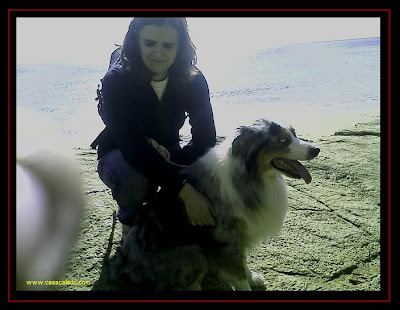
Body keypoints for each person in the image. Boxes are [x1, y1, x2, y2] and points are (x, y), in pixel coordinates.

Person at [91, 18, 217, 236]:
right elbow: (134, 149)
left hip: (170, 149)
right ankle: (129, 218)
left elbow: (205, 140)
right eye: (150, 43)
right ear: (136, 40)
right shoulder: (116, 80)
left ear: (181, 46)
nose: (158, 53)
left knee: (208, 170)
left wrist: (179, 172)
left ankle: (166, 215)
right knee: (137, 180)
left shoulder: (193, 79)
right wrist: (185, 191)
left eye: (168, 46)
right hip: (119, 154)